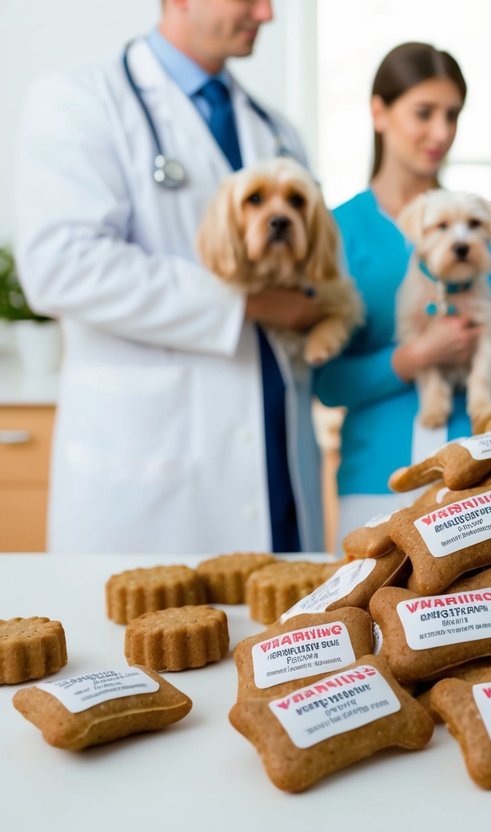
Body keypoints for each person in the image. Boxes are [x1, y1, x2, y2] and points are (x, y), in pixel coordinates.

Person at [14, 0, 325, 554]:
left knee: (278, 629)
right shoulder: (81, 102)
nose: (269, 13)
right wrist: (248, 303)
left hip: (276, 454)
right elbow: (60, 266)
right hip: (152, 470)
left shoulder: (275, 130)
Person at [313, 43, 491, 542]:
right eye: (424, 113)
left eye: (452, 115)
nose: (441, 133)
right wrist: (411, 357)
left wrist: (485, 396)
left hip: (478, 475)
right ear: (379, 112)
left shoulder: (480, 227)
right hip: (374, 475)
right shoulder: (335, 232)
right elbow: (327, 380)